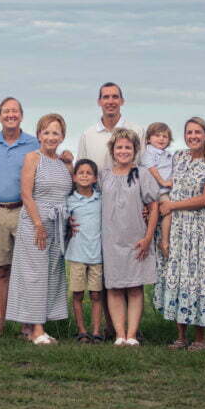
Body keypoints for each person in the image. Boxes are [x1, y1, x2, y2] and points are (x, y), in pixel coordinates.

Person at [77, 82, 145, 338]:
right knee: (106, 274)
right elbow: (82, 171)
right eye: (105, 97)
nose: (110, 101)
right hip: (100, 209)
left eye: (115, 97)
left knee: (133, 276)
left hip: (131, 209)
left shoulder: (136, 130)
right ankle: (111, 328)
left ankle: (131, 331)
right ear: (99, 102)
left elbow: (144, 169)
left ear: (122, 101)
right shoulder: (88, 135)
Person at [153, 117, 205, 351]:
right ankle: (180, 336)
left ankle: (200, 338)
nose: (193, 136)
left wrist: (173, 206)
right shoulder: (179, 157)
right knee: (176, 276)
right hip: (176, 228)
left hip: (199, 229)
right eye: (189, 132)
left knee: (198, 279)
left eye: (197, 132)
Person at [5, 113, 73, 345]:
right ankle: (37, 329)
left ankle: (35, 325)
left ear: (62, 136)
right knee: (35, 275)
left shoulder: (62, 163)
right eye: (46, 132)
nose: (51, 137)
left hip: (58, 227)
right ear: (39, 135)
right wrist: (38, 225)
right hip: (36, 225)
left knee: (52, 275)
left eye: (55, 132)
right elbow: (26, 193)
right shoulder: (32, 158)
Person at [0, 97, 39, 337]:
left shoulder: (33, 143)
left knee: (25, 269)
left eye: (14, 111)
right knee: (2, 270)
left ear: (21, 116)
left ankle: (27, 324)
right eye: (6, 111)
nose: (10, 115)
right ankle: (1, 324)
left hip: (24, 211)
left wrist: (67, 157)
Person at [99, 128, 159, 346]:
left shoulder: (143, 174)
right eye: (119, 147)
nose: (123, 151)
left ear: (135, 150)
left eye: (127, 147)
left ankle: (132, 335)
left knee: (135, 287)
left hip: (137, 239)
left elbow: (154, 207)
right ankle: (119, 335)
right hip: (110, 240)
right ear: (112, 150)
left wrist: (148, 237)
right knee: (114, 287)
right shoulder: (103, 175)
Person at [65, 159, 103, 344]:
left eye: (89, 173)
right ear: (74, 177)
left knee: (96, 294)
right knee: (78, 293)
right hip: (77, 253)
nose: (85, 176)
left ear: (95, 178)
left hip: (97, 254)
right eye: (81, 172)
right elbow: (63, 223)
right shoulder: (69, 200)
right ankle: (82, 331)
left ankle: (96, 331)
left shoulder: (101, 199)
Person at [141, 122, 174, 258]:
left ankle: (162, 240)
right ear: (148, 139)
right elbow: (152, 169)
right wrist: (163, 182)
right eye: (157, 136)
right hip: (155, 190)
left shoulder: (167, 155)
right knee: (164, 212)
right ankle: (159, 241)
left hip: (165, 190)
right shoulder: (149, 152)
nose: (161, 139)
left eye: (165, 136)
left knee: (167, 212)